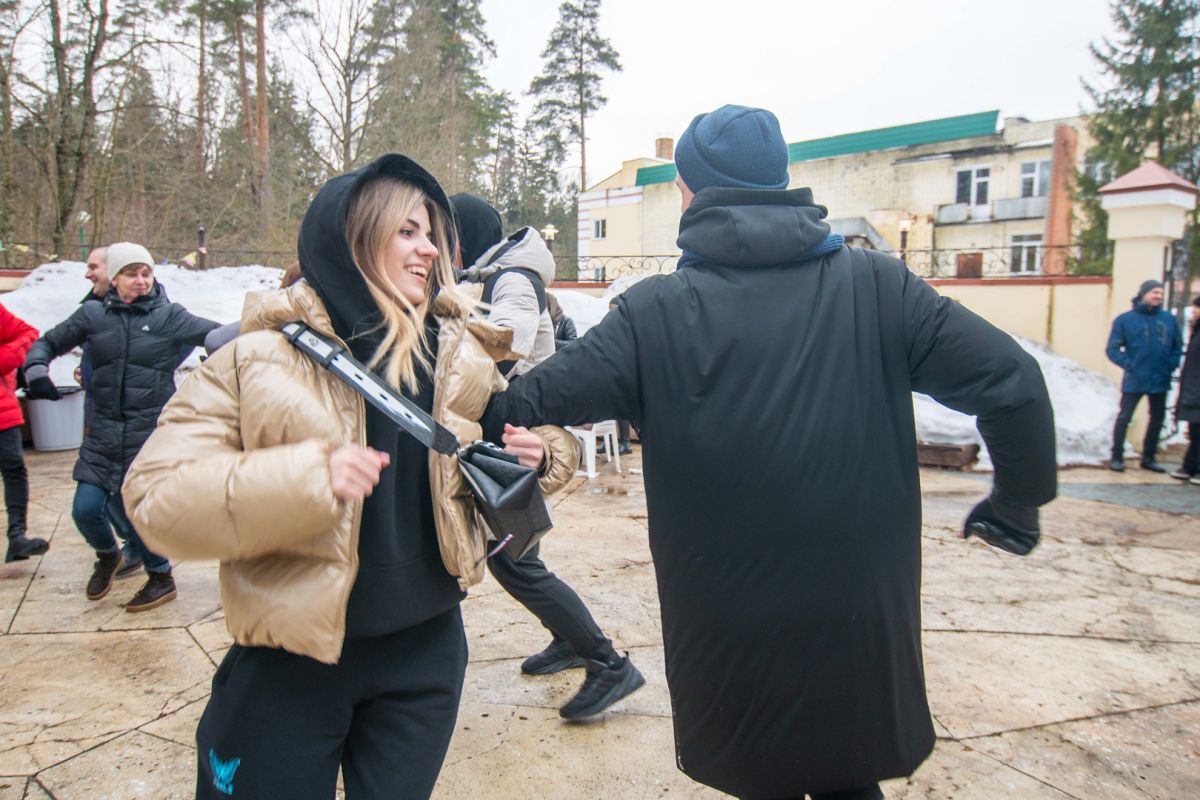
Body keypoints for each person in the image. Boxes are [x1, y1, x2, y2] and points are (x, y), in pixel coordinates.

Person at [484, 104, 1057, 800]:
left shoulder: (652, 314)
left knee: (759, 770)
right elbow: (1013, 381)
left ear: (689, 193)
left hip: (728, 616)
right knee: (850, 769)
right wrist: (1017, 503)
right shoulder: (879, 287)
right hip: (856, 607)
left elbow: (521, 401)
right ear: (782, 181)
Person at [122, 155, 579, 800]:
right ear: (353, 238)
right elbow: (155, 499)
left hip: (426, 657)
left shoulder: (461, 355)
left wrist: (543, 455)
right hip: (290, 663)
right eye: (407, 231)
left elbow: (540, 438)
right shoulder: (255, 358)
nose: (431, 250)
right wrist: (307, 480)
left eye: (432, 234)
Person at [450, 192, 645, 720]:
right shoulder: (493, 275)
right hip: (510, 429)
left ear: (465, 233)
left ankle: (606, 663)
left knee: (513, 559)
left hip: (517, 434)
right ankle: (568, 640)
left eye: (448, 233)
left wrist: (448, 345)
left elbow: (505, 341)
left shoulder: (511, 278)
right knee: (520, 555)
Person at [23, 242, 219, 611]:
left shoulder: (168, 316)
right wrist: (36, 369)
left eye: (146, 273)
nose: (141, 280)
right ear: (114, 278)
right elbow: (48, 342)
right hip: (103, 435)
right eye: (131, 274)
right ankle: (107, 555)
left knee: (136, 511)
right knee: (84, 510)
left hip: (146, 436)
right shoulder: (93, 315)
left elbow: (219, 334)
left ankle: (160, 577)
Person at [76, 246, 144, 577]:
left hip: (129, 415)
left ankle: (141, 548)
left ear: (113, 271)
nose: (88, 273)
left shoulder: (149, 309)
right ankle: (130, 545)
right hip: (98, 409)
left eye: (94, 266)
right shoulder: (94, 307)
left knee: (122, 487)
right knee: (102, 490)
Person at [1105, 279, 1183, 472]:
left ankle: (1149, 457)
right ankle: (1116, 456)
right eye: (1155, 292)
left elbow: (1177, 347)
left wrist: (1170, 364)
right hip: (1136, 377)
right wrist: (1130, 365)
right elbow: (1112, 349)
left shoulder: (1168, 320)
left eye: (1161, 293)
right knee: (1125, 417)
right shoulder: (1125, 320)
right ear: (1143, 293)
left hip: (1160, 377)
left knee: (1157, 419)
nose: (1158, 296)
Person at [0, 303, 47, 562]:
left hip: (3, 410)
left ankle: (17, 536)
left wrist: (4, 359)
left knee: (14, 468)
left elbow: (28, 334)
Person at [1170, 295, 1200, 482]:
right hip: (1193, 388)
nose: (1194, 310)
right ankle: (1190, 466)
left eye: (1197, 307)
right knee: (1195, 430)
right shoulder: (1197, 330)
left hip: (1196, 389)